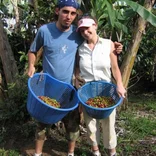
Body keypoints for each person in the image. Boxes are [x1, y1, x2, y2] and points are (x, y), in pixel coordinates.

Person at [27, 0, 123, 156]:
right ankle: (38, 154)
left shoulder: (76, 33)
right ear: (57, 11)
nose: (69, 16)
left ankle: (71, 153)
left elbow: (95, 43)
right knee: (42, 125)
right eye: (65, 12)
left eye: (72, 13)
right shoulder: (44, 31)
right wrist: (31, 65)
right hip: (48, 88)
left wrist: (116, 47)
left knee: (73, 125)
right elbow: (33, 50)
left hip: (69, 89)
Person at [75, 15, 126, 156]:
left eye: (87, 27)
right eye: (82, 30)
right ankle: (95, 151)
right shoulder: (80, 48)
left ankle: (111, 151)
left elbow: (115, 68)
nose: (85, 32)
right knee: (90, 124)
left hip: (106, 89)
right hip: (87, 91)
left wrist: (120, 85)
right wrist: (76, 79)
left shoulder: (108, 44)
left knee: (109, 123)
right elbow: (77, 68)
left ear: (95, 25)